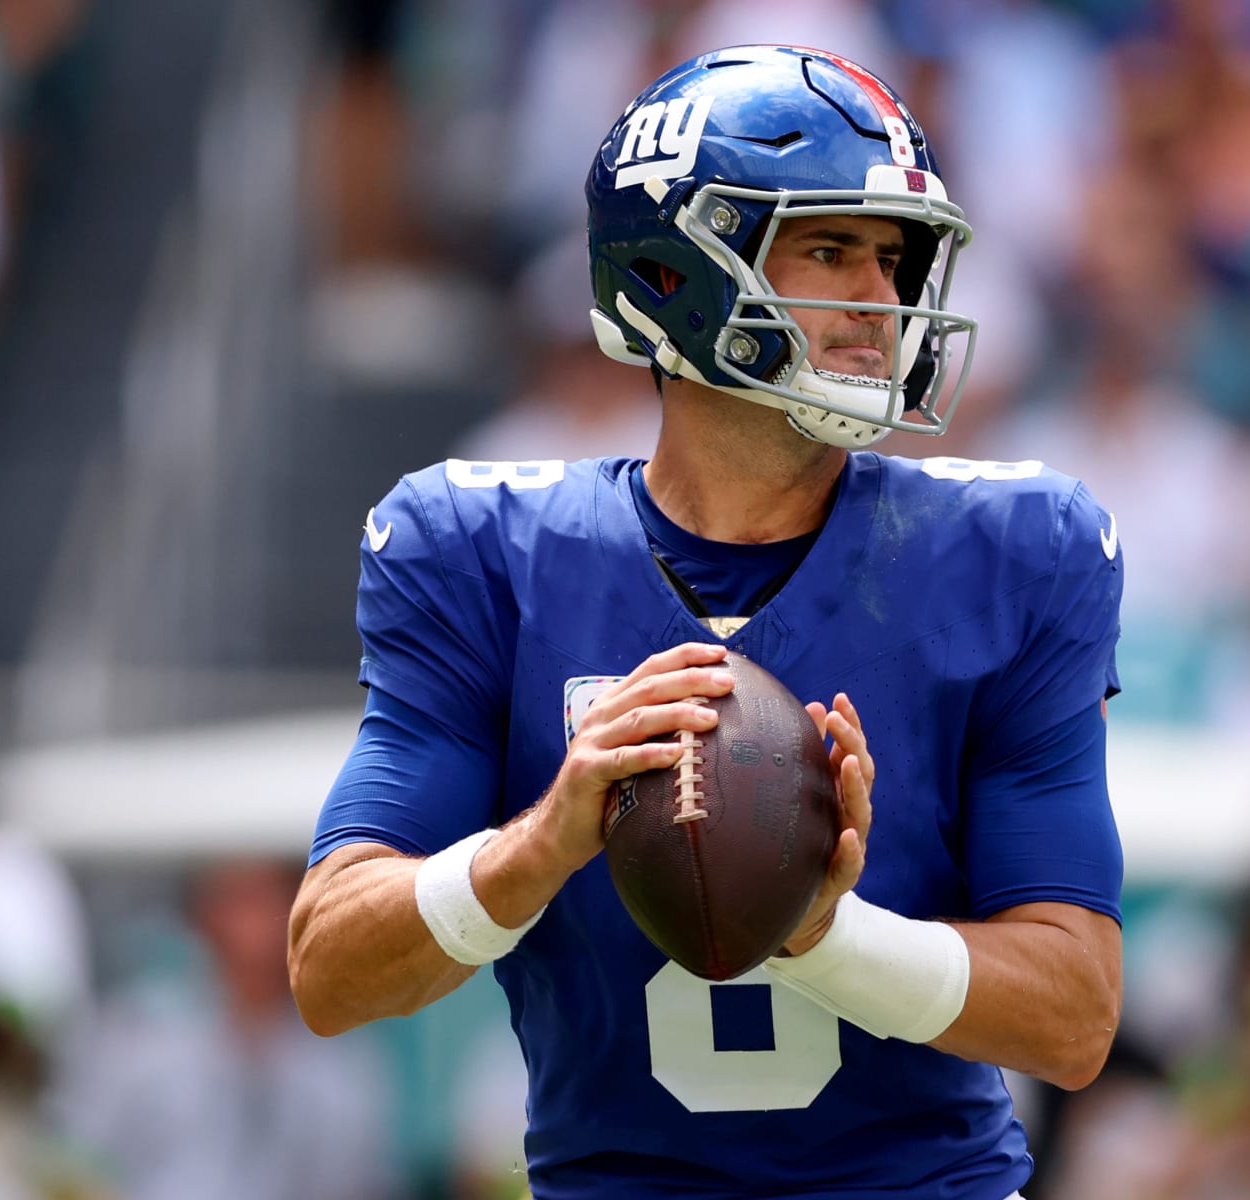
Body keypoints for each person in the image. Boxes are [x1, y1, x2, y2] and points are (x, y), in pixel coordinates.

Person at [289, 44, 1126, 1200]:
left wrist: (819, 932)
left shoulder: (1013, 554)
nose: (880, 304)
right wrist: (540, 845)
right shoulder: (482, 553)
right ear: (674, 269)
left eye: (893, 260)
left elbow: (1076, 1015)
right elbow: (331, 966)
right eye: (831, 250)